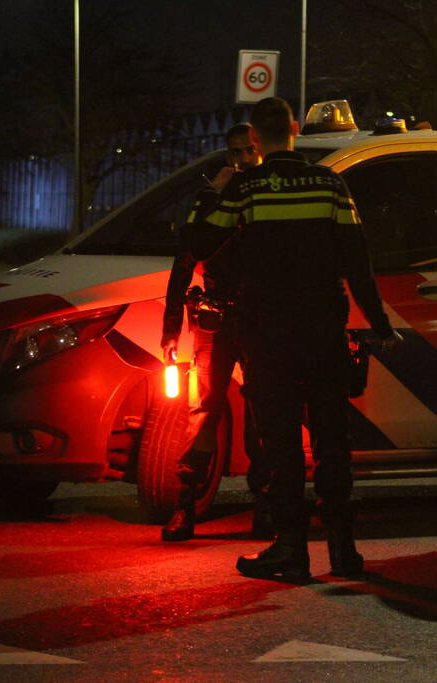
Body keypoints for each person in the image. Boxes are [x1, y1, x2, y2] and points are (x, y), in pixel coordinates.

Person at [186, 97, 402, 582]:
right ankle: (344, 551)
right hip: (323, 331)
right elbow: (356, 262)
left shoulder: (248, 187)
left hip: (268, 337)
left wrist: (212, 194)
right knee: (331, 440)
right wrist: (381, 325)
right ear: (293, 131)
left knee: (281, 443)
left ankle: (290, 549)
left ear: (256, 141)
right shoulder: (330, 184)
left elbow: (201, 244)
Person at [159, 123, 265, 543]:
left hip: (259, 319)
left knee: (263, 414)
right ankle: (183, 507)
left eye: (249, 151)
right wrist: (170, 327)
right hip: (216, 319)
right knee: (202, 412)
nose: (241, 160)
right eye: (235, 152)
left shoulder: (269, 191)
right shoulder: (214, 195)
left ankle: (267, 508)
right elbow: (185, 257)